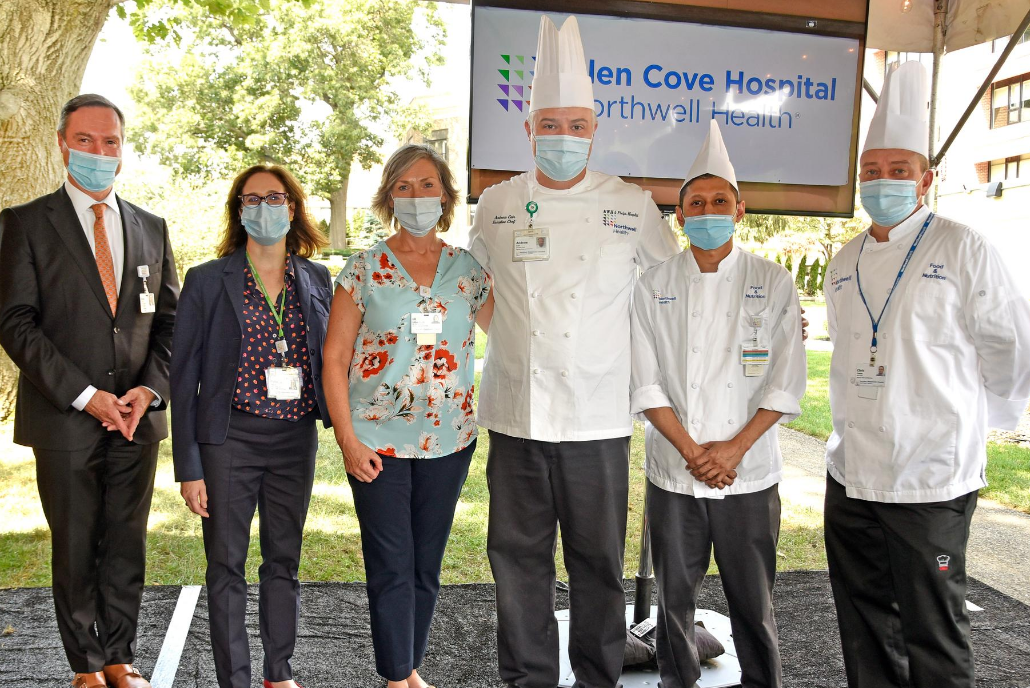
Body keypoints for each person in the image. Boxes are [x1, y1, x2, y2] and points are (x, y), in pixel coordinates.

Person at [467, 16, 682, 688]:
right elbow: (472, 288)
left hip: (598, 417)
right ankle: (527, 678)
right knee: (516, 560)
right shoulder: (497, 203)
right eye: (551, 124)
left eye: (577, 125)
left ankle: (598, 676)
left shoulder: (632, 205)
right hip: (516, 414)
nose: (564, 136)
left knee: (597, 562)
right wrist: (511, 338)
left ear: (595, 129)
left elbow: (672, 293)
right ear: (529, 129)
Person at [823, 60, 1030, 687]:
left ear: (925, 179)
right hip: (852, 470)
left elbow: (1011, 347)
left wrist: (975, 419)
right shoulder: (844, 259)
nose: (882, 180)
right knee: (863, 620)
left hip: (931, 474)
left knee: (933, 625)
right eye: (871, 171)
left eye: (898, 169)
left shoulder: (962, 246)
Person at [0, 94, 178, 688]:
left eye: (110, 142)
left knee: (126, 543)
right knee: (76, 543)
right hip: (65, 417)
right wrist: (85, 395)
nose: (98, 152)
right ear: (61, 144)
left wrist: (148, 392)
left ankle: (120, 658)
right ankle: (86, 665)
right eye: (85, 140)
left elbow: (171, 324)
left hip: (136, 418)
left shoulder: (151, 227)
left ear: (122, 152)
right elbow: (15, 323)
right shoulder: (25, 223)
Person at [630, 120, 806, 688]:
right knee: (673, 603)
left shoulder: (773, 281)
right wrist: (693, 451)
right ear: (680, 217)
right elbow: (645, 381)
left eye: (719, 202)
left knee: (753, 602)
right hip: (673, 471)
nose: (708, 212)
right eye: (696, 204)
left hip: (748, 474)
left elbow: (785, 381)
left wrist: (732, 450)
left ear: (740, 210)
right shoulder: (652, 284)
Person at [323, 144, 493, 688]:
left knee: (426, 564)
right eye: (404, 186)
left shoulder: (468, 271)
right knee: (391, 562)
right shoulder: (363, 269)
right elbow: (335, 357)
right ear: (389, 197)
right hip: (377, 440)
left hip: (450, 440)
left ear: (445, 195)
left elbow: (514, 336)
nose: (416, 195)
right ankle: (398, 677)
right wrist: (347, 440)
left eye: (427, 185)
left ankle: (406, 667)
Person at [170, 164, 332, 688]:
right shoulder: (206, 280)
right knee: (226, 565)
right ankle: (235, 680)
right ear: (239, 211)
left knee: (284, 560)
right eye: (252, 198)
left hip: (294, 440)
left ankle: (278, 674)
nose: (265, 207)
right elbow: (183, 379)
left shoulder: (315, 277)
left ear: (293, 207)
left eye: (275, 197)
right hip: (229, 441)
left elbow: (332, 356)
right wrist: (189, 467)